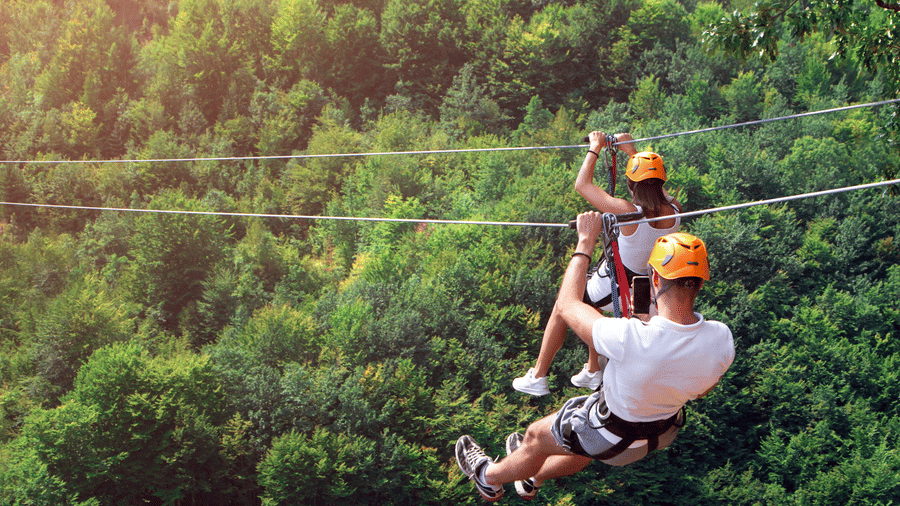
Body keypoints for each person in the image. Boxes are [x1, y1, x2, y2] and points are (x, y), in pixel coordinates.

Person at [456, 212, 734, 501]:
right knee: (582, 444)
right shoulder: (721, 339)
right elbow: (702, 390)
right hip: (657, 435)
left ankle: (487, 477)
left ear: (654, 277)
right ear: (701, 283)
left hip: (609, 435)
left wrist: (585, 242)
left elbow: (567, 305)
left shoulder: (629, 337)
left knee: (535, 437)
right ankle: (532, 478)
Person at [513, 131, 683, 396]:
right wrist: (631, 151)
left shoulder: (628, 212)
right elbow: (655, 187)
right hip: (643, 287)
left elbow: (582, 185)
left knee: (564, 303)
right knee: (592, 303)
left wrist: (594, 147)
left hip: (617, 284)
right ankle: (593, 370)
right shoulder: (676, 209)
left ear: (630, 183)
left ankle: (538, 375)